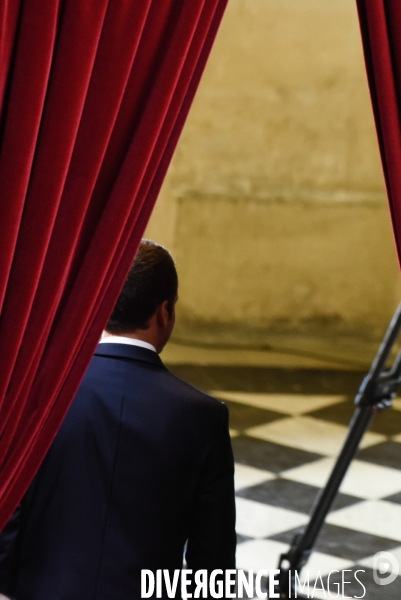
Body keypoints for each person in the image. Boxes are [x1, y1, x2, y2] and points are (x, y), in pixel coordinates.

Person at [0, 239, 236, 600]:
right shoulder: (204, 417)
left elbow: (9, 515)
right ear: (165, 313)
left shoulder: (40, 398)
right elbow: (213, 564)